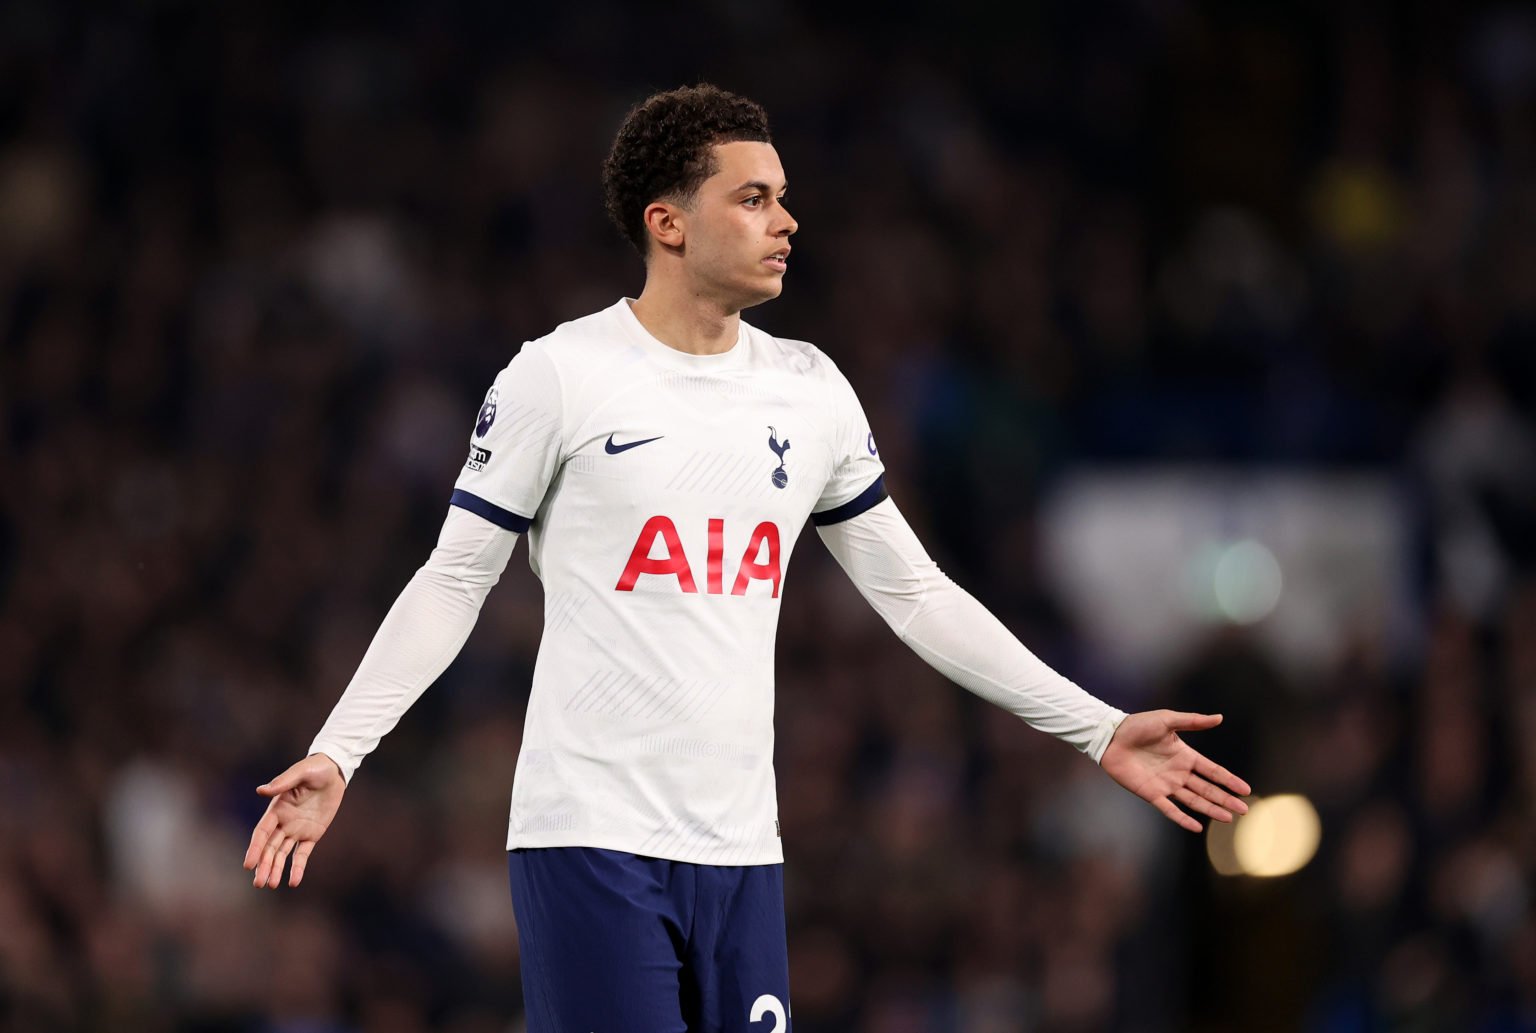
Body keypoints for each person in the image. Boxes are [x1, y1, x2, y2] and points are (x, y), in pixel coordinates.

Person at [244, 84, 1251, 1032]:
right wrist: (340, 751)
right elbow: (455, 578)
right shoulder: (559, 376)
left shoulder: (809, 390)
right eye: (754, 197)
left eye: (785, 198)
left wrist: (1098, 727)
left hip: (742, 853)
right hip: (590, 839)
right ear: (667, 222)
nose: (786, 221)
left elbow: (914, 593)